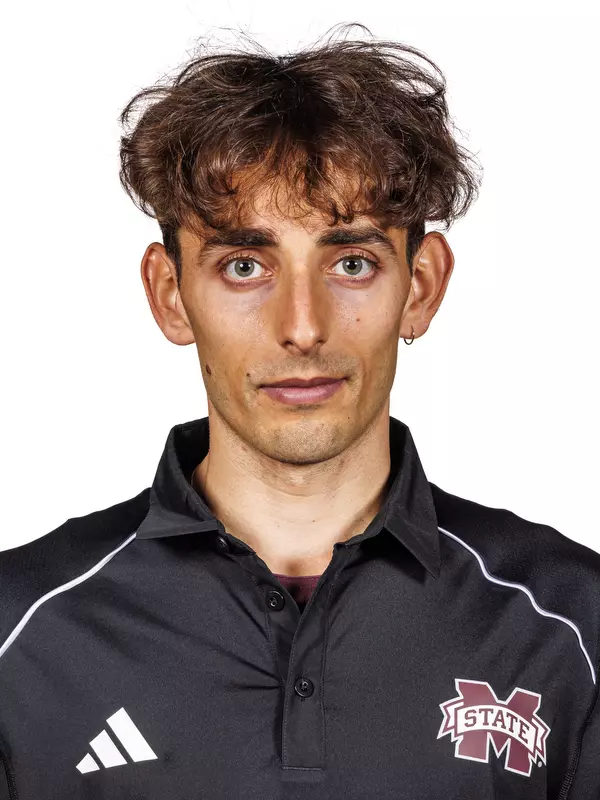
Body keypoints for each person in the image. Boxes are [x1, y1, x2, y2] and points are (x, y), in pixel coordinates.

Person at [0, 23, 598, 800]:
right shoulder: (22, 634)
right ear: (170, 294)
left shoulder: (571, 625)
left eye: (351, 262)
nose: (303, 325)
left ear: (419, 288)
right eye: (244, 265)